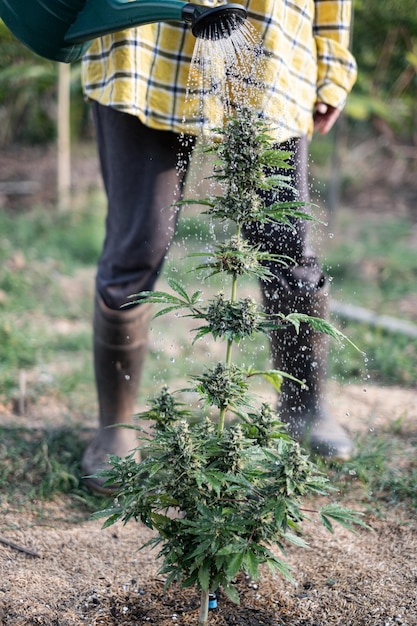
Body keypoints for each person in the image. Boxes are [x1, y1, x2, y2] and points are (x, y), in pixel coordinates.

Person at [81, 0, 357, 493]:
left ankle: (304, 405)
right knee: (137, 246)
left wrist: (331, 61)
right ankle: (116, 428)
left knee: (285, 244)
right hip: (145, 44)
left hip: (269, 43)